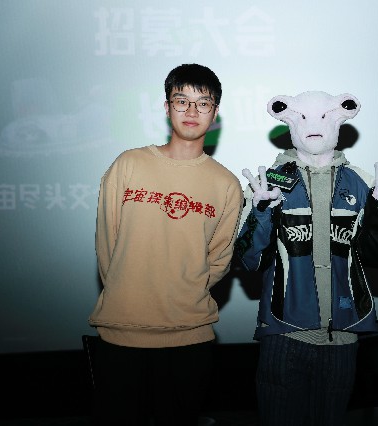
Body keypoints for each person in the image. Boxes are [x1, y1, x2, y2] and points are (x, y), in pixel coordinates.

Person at [234, 91, 378, 426]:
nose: (313, 125)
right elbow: (248, 259)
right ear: (289, 122)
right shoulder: (269, 182)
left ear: (339, 121)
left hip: (344, 334)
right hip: (283, 332)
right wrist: (261, 211)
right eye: (303, 118)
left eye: (324, 117)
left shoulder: (362, 183)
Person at [88, 63, 243, 426]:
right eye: (181, 100)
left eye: (203, 103)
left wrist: (183, 292)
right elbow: (106, 243)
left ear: (215, 113)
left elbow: (219, 259)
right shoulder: (129, 164)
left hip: (190, 336)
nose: (192, 111)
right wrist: (128, 291)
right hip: (122, 331)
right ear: (167, 107)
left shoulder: (226, 184)